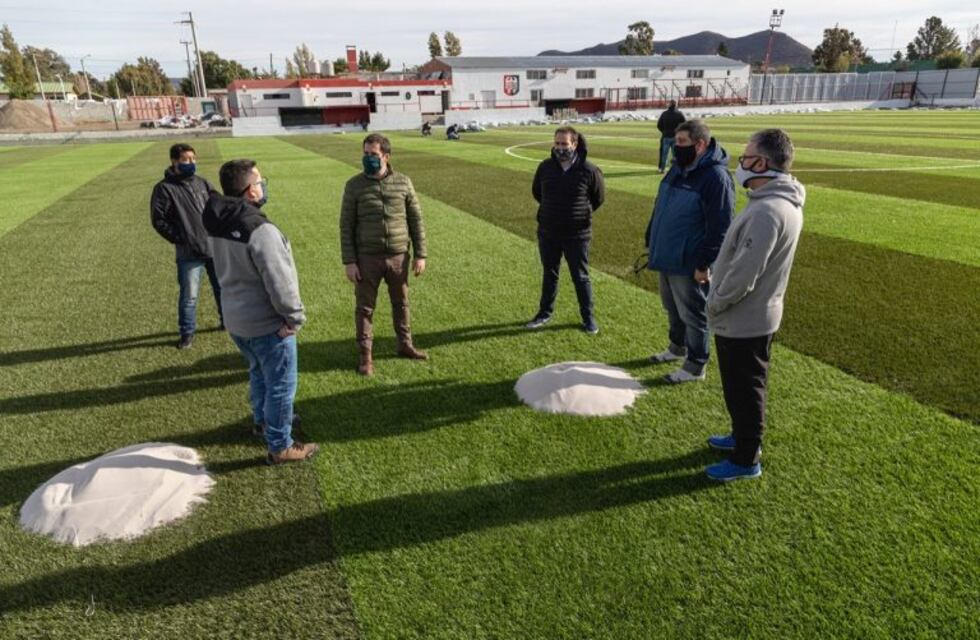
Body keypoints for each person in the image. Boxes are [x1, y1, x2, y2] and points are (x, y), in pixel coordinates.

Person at [704, 129, 804, 482]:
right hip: (754, 314)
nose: (740, 164)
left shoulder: (768, 211)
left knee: (746, 388)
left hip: (746, 318)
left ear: (761, 163)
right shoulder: (773, 204)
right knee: (740, 386)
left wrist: (715, 302)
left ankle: (746, 458)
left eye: (746, 158)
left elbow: (745, 273)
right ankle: (740, 437)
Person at [202, 159, 317, 465]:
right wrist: (294, 318)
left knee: (258, 373)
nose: (262, 186)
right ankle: (280, 446)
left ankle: (262, 422)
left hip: (236, 318)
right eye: (260, 181)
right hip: (265, 321)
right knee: (280, 383)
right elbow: (280, 282)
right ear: (250, 190)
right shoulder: (260, 229)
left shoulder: (216, 219)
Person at [645, 119, 734, 383]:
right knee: (672, 308)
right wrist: (651, 235)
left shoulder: (715, 178)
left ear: (700, 144)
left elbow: (721, 226)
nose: (675, 147)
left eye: (681, 142)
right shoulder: (677, 169)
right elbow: (661, 205)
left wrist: (704, 263)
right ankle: (676, 348)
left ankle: (696, 365)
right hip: (666, 253)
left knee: (693, 313)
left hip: (689, 260)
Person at [340, 134, 428, 376]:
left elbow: (416, 219)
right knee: (365, 308)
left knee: (401, 303)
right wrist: (349, 261)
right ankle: (365, 356)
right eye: (365, 154)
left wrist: (421, 254)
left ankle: (405, 345)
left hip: (399, 256)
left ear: (386, 157)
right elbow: (346, 225)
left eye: (373, 155)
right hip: (367, 258)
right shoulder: (354, 185)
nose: (367, 158)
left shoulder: (403, 182)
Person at [526, 126, 605, 334]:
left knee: (581, 276)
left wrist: (578, 214)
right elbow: (537, 193)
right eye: (557, 143)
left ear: (575, 144)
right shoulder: (545, 167)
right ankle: (544, 313)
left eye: (565, 144)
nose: (561, 148)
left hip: (577, 235)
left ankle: (588, 318)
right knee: (549, 274)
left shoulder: (589, 170)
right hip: (548, 232)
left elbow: (598, 199)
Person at [150, 143, 223, 349]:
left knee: (222, 289)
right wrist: (180, 238)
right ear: (174, 161)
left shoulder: (202, 183)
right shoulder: (164, 188)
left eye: (193, 159)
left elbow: (218, 205)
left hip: (212, 247)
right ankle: (187, 333)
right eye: (186, 160)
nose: (191, 163)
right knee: (189, 296)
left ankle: (227, 322)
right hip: (188, 252)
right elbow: (158, 220)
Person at [656, 100, 686, 174]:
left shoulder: (664, 114)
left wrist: (664, 131)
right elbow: (685, 125)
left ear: (669, 105)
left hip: (666, 136)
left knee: (664, 154)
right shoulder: (679, 114)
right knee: (675, 154)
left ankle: (662, 169)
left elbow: (659, 125)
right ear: (676, 105)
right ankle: (676, 169)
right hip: (675, 136)